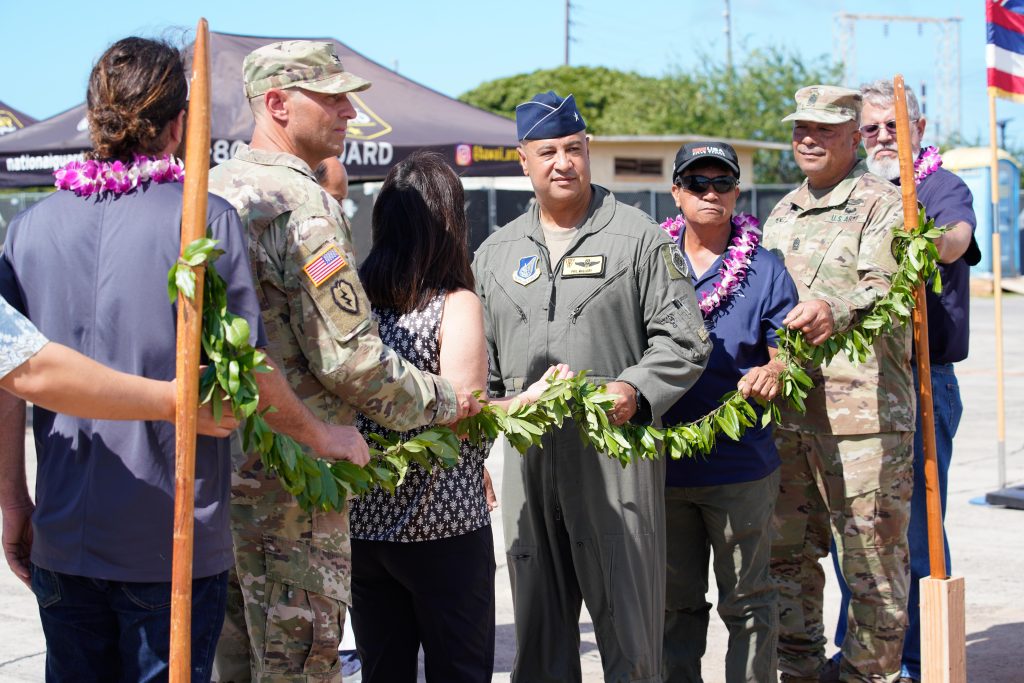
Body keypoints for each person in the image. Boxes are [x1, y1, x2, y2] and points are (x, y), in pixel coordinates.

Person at [0, 37, 368, 683]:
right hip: (166, 543)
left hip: (65, 533)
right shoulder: (203, 221)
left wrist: (13, 501)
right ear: (177, 125)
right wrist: (320, 434)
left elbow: (8, 384)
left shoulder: (27, 230)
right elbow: (246, 369)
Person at [208, 41, 479, 683]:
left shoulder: (211, 191)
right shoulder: (301, 206)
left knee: (236, 662)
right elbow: (353, 360)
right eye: (328, 97)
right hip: (294, 489)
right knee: (299, 665)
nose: (348, 112)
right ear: (276, 103)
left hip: (216, 481)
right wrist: (446, 401)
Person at [473, 90, 711, 683]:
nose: (563, 163)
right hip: (528, 469)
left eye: (573, 149)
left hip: (616, 460)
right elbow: (484, 375)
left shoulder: (641, 240)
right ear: (522, 160)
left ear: (589, 152)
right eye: (547, 151)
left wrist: (635, 389)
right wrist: (475, 451)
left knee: (631, 635)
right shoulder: (494, 255)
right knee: (540, 637)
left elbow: (686, 341)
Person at [349, 150, 570, 682]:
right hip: (440, 522)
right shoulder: (453, 302)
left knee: (383, 670)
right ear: (449, 221)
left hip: (363, 521)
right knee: (461, 671)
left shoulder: (356, 297)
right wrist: (532, 399)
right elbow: (464, 411)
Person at [820, 81, 980, 683]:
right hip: (854, 385)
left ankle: (915, 661)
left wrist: (918, 238)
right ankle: (859, 651)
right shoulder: (851, 195)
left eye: (895, 126)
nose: (884, 138)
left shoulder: (940, 186)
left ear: (920, 125)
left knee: (912, 529)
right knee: (855, 529)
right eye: (871, 129)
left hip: (921, 381)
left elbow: (955, 239)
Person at [762, 85, 915, 683]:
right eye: (801, 127)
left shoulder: (886, 204)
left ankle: (868, 676)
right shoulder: (782, 211)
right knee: (787, 561)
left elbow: (892, 290)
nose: (808, 138)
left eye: (824, 130)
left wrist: (836, 306)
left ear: (855, 136)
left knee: (873, 564)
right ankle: (796, 670)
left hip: (864, 422)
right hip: (790, 417)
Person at [660, 142, 799, 683]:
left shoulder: (765, 270)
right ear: (677, 193)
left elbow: (789, 348)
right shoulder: (651, 260)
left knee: (748, 602)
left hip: (741, 466)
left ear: (737, 193)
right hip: (665, 465)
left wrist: (778, 368)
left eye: (722, 183)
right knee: (675, 606)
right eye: (697, 183)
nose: (710, 193)